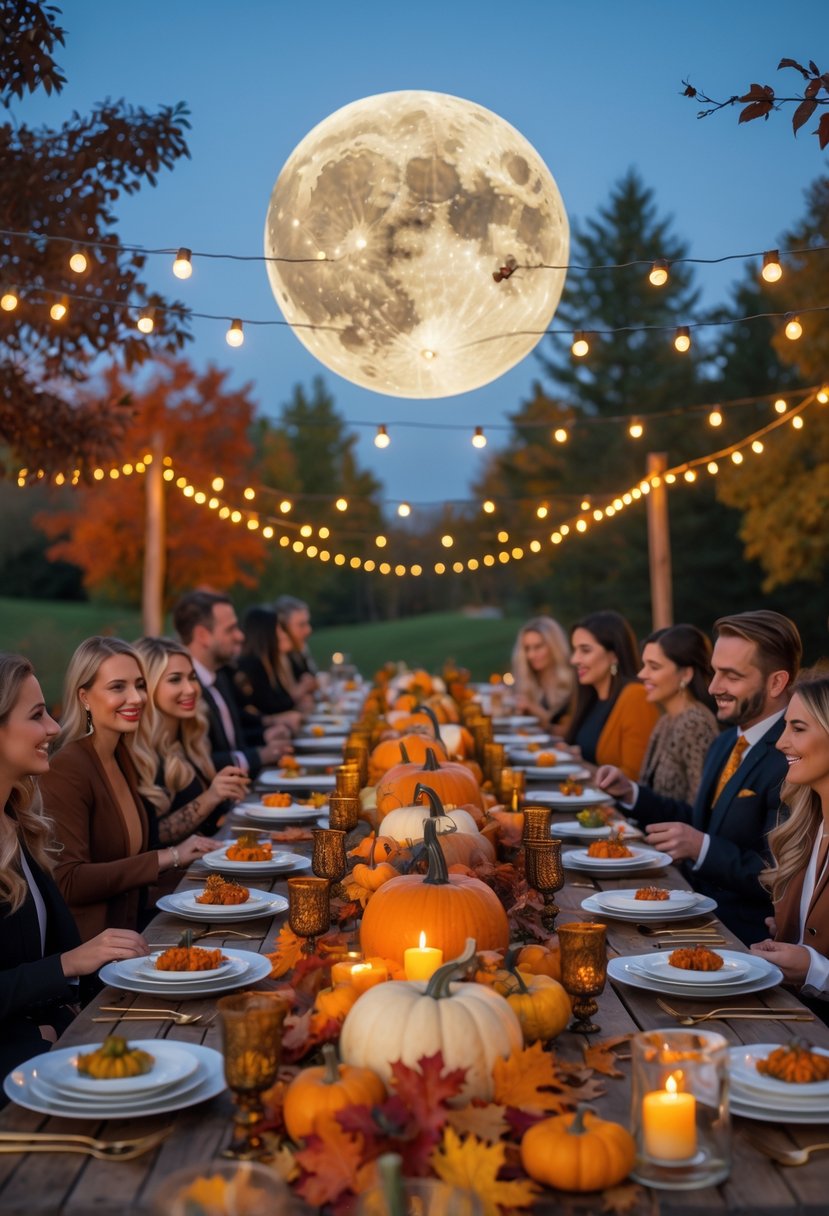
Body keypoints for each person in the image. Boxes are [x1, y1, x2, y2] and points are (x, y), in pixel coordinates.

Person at [597, 610, 802, 944]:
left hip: (742, 937)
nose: (712, 687)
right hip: (693, 912)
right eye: (715, 671)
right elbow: (696, 822)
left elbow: (778, 873)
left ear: (776, 682)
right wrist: (632, 793)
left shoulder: (792, 754)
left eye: (731, 676)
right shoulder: (725, 742)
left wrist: (701, 847)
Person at [0, 653, 148, 1084]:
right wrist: (68, 964)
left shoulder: (18, 821)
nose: (51, 727)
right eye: (37, 715)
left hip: (54, 1037)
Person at [39, 638, 219, 940]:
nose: (136, 698)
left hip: (136, 931)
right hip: (92, 950)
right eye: (117, 687)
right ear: (84, 696)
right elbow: (68, 880)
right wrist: (170, 856)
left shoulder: (124, 755)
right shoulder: (67, 768)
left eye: (139, 685)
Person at [751, 672, 829, 1004]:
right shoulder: (803, 827)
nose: (782, 742)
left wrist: (815, 969)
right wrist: (788, 930)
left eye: (797, 729)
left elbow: (813, 963)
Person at [133, 637, 250, 843]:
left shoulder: (191, 738)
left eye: (192, 677)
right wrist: (211, 796)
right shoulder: (139, 752)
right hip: (177, 873)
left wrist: (226, 795)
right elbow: (150, 839)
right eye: (175, 679)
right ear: (147, 686)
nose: (190, 689)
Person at [173, 591, 292, 778]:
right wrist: (258, 756)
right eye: (230, 629)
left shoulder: (218, 676)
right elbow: (194, 762)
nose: (240, 636)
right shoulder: (182, 691)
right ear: (202, 635)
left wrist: (264, 735)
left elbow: (232, 740)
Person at [565, 610, 659, 779]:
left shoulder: (636, 697)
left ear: (614, 656)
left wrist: (581, 767)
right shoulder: (591, 696)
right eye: (574, 650)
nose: (574, 660)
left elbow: (634, 779)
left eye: (585, 651)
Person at [637, 624, 720, 804]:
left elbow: (699, 807)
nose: (642, 674)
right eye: (644, 665)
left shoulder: (695, 724)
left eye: (654, 667)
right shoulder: (666, 720)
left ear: (686, 674)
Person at [233, 606, 306, 732]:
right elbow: (265, 709)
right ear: (266, 633)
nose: (283, 635)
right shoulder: (251, 666)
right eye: (279, 629)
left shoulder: (268, 664)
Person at [510, 616, 573, 731]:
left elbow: (568, 730)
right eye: (527, 648)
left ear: (554, 646)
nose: (531, 655)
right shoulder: (528, 681)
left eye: (538, 647)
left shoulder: (573, 681)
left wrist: (533, 708)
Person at [275, 594, 318, 693]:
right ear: (283, 627)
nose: (309, 630)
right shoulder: (277, 658)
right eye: (301, 625)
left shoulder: (301, 649)